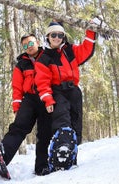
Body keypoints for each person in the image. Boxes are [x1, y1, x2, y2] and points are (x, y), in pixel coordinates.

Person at [35, 21, 97, 170]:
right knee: (62, 118)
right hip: (57, 91)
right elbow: (42, 81)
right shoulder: (44, 57)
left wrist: (91, 31)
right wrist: (48, 99)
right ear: (48, 36)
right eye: (53, 35)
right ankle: (61, 147)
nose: (57, 38)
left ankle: (71, 154)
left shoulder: (70, 51)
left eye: (60, 35)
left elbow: (86, 50)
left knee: (76, 122)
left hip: (73, 91)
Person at [0, 34, 52, 176]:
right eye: (25, 46)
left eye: (30, 44)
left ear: (37, 42)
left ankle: (42, 167)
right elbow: (17, 87)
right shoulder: (21, 64)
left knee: (44, 134)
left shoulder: (47, 56)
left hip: (45, 98)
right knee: (18, 127)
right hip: (29, 99)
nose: (28, 47)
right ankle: (3, 156)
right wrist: (17, 106)